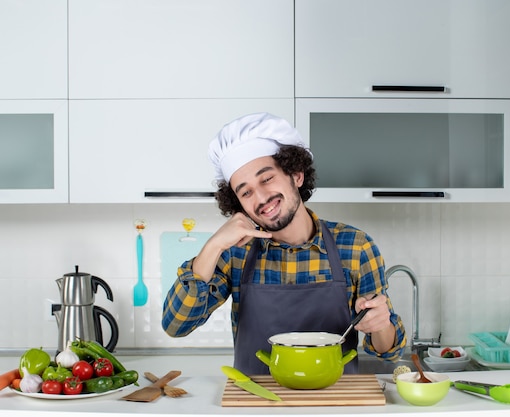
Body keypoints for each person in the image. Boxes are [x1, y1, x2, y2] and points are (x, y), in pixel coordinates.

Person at [162, 112, 406, 375]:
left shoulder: (356, 247)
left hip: (335, 403)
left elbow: (387, 352)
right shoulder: (235, 253)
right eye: (246, 192)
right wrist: (212, 246)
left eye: (266, 179)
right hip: (257, 401)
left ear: (296, 175)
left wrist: (380, 323)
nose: (262, 197)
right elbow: (176, 326)